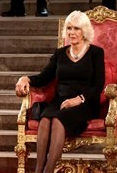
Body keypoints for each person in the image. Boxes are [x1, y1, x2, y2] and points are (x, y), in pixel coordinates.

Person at [15, 10, 105, 173]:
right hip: (61, 100)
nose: (72, 32)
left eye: (76, 28)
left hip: (84, 103)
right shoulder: (60, 54)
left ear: (84, 31)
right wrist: (25, 78)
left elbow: (98, 85)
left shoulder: (95, 53)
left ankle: (48, 170)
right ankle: (39, 169)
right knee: (45, 119)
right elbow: (44, 77)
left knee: (58, 119)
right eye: (69, 28)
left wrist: (79, 99)